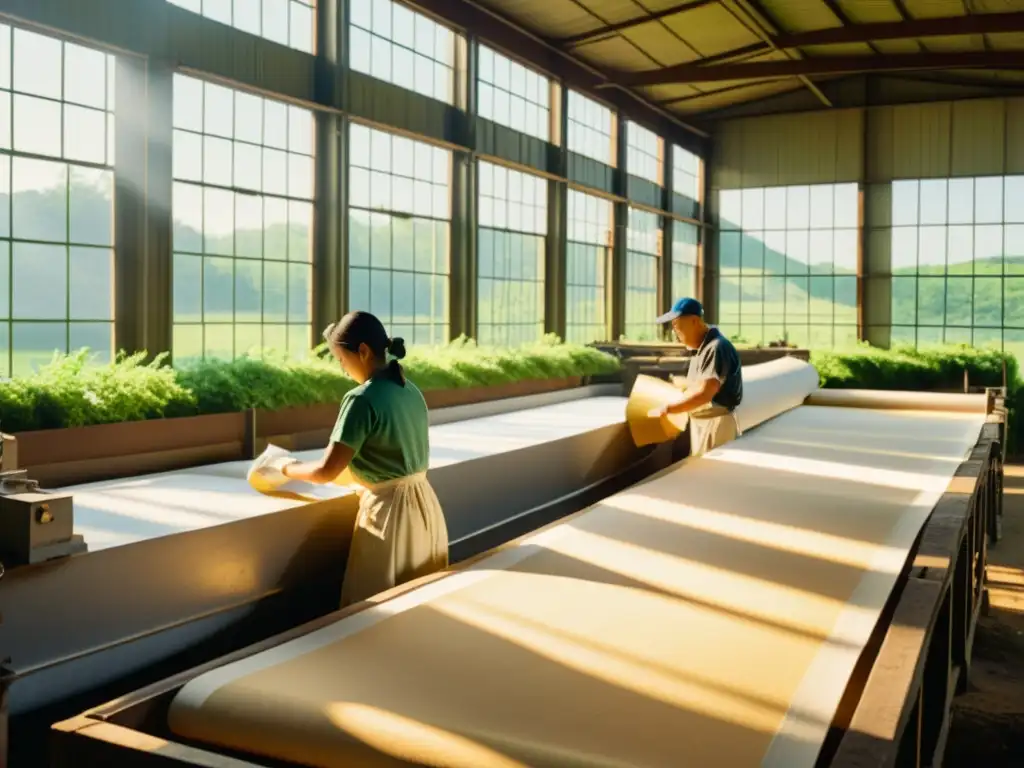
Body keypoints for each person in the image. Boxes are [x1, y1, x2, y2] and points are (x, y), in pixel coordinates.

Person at [251, 311, 448, 607]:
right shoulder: (410, 390)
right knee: (420, 605)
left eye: (342, 360)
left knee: (375, 609)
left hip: (389, 517)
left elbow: (324, 472)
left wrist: (281, 466)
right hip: (426, 509)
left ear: (363, 352)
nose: (343, 370)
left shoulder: (361, 399)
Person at [648, 297, 743, 457]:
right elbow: (700, 385)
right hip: (705, 423)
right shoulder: (702, 350)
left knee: (712, 475)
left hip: (716, 425)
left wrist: (668, 410)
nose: (675, 333)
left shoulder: (716, 347)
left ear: (694, 321)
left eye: (676, 325)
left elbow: (706, 393)